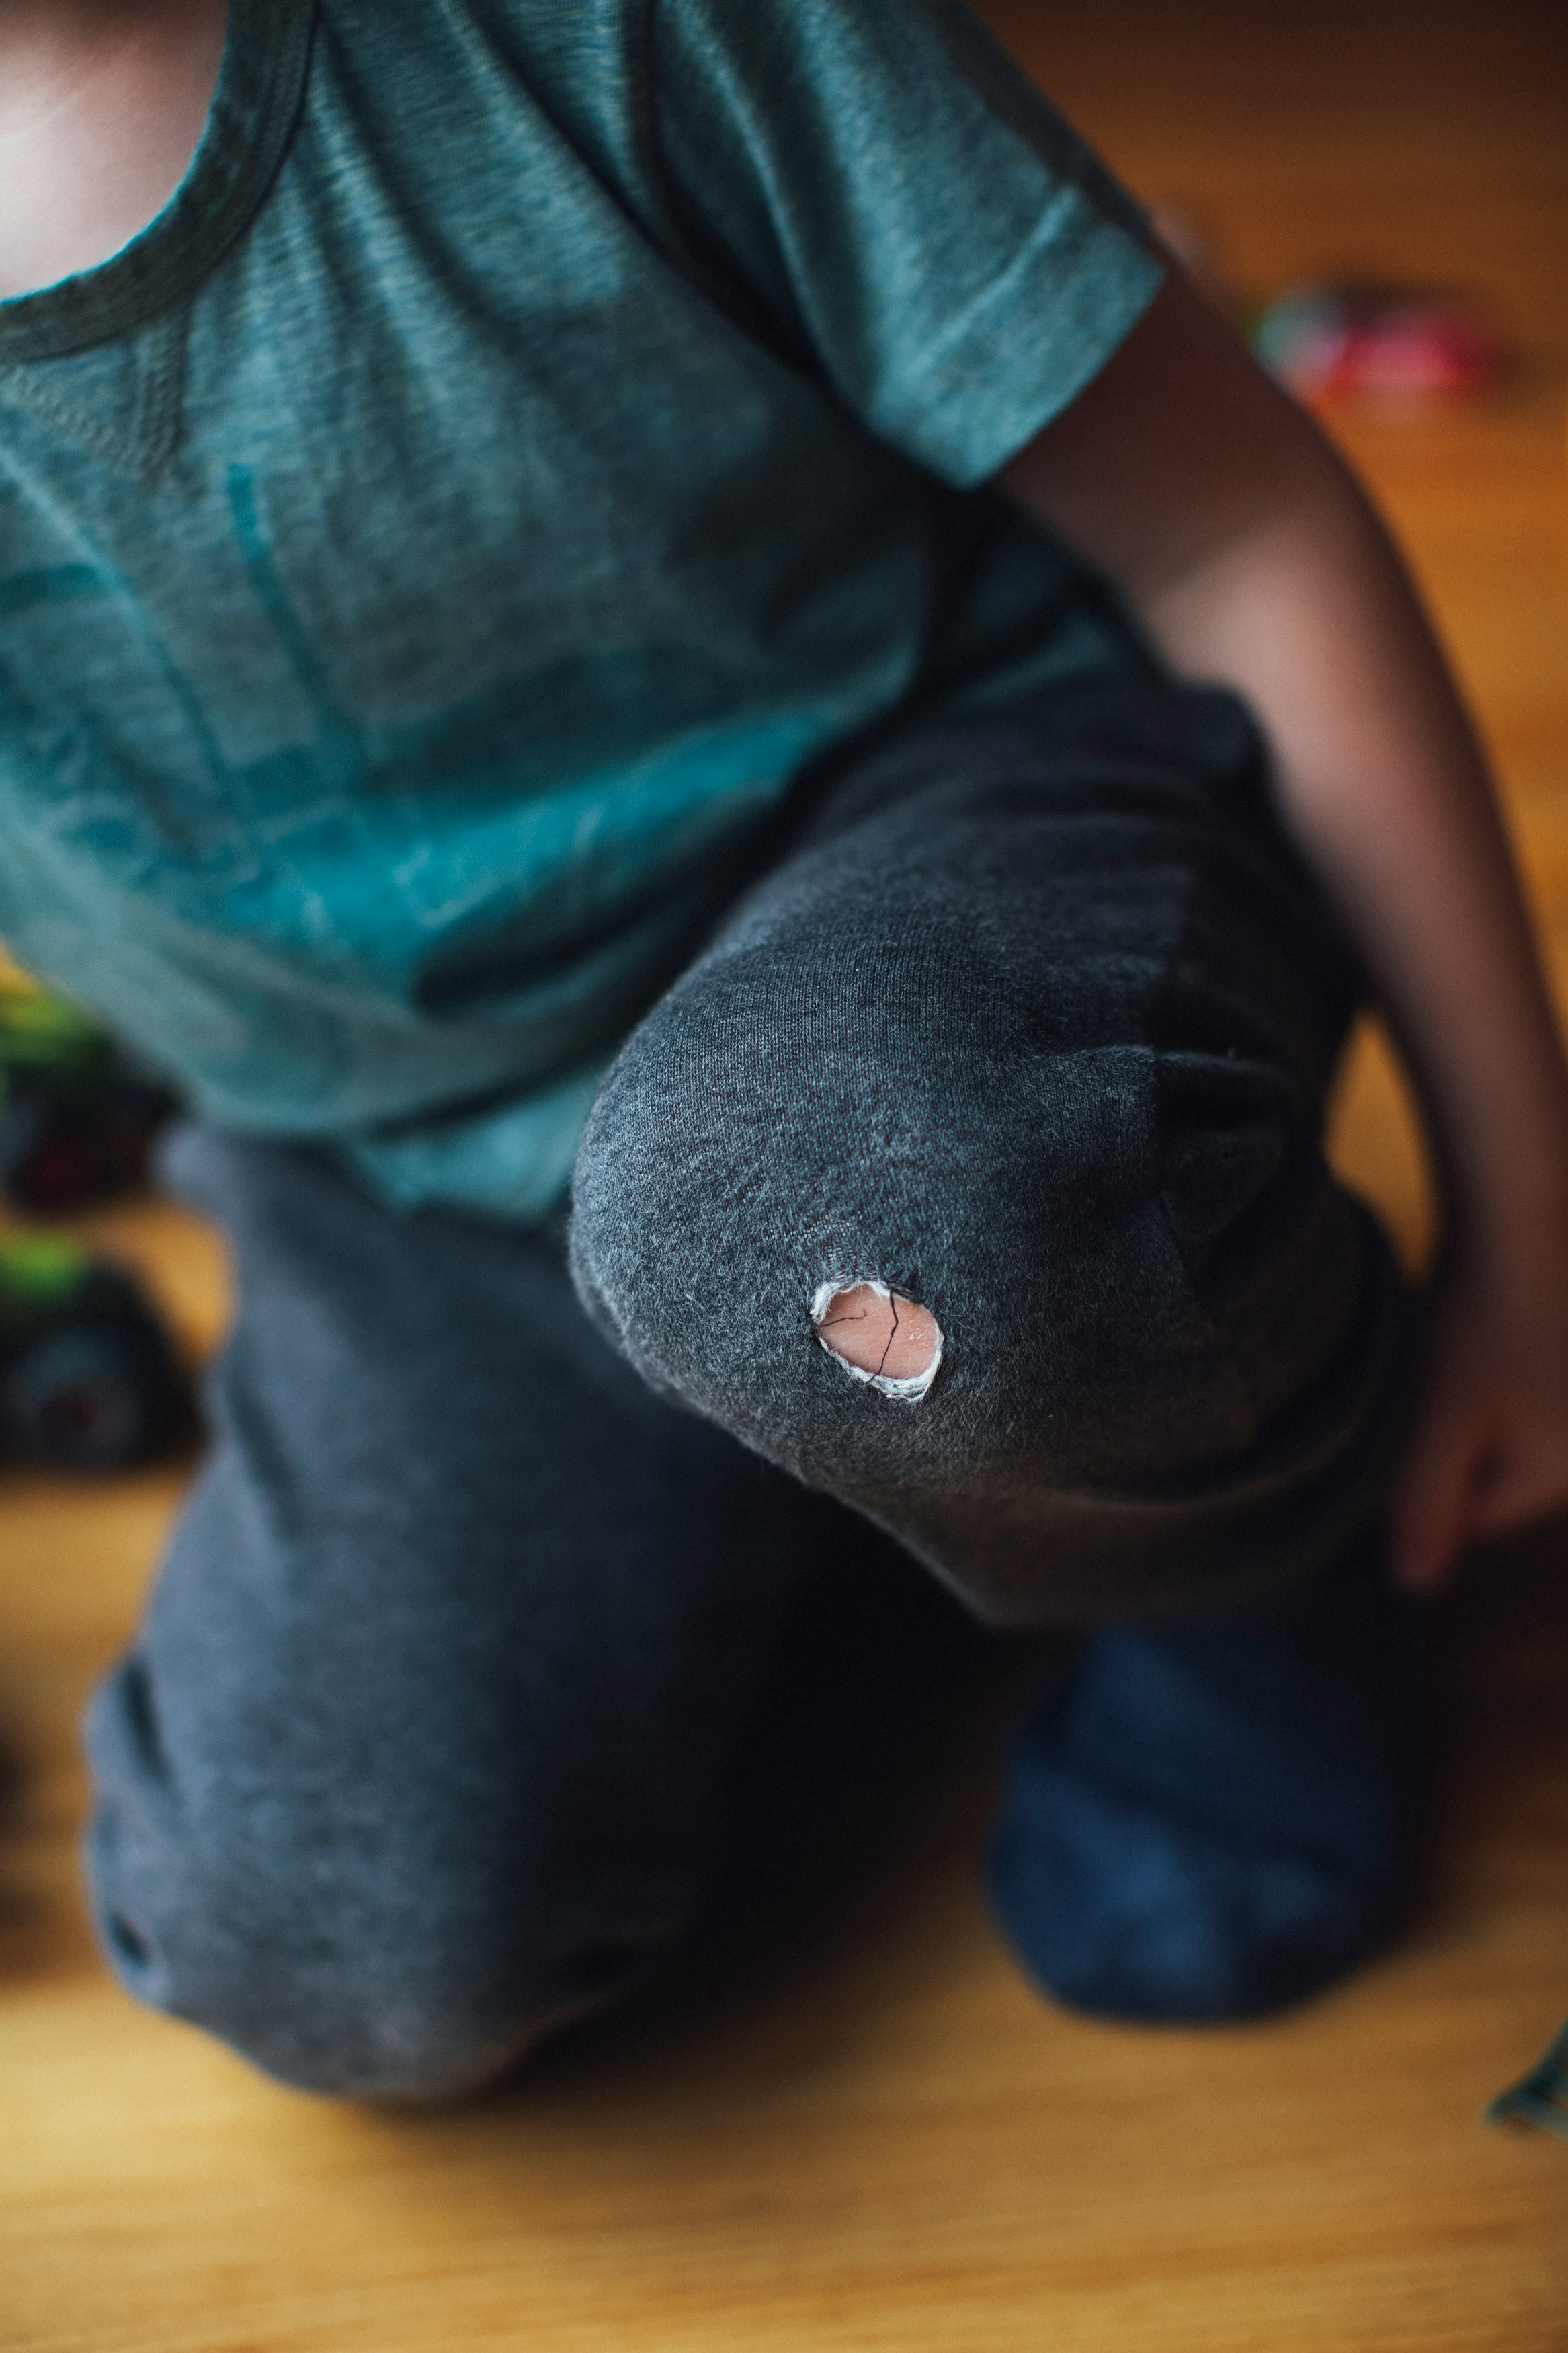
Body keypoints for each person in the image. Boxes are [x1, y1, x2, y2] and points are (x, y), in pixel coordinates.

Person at [3, 0, 1567, 2102]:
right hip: (403, 1151)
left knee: (848, 1181)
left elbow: (1238, 529)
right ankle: (920, 1453)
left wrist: (1534, 1238)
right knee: (335, 1932)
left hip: (954, 876)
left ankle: (1224, 1506)